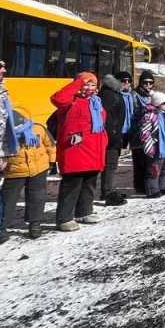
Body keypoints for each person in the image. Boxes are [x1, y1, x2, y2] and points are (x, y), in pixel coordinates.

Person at [51, 72, 108, 232]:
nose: (89, 88)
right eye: (86, 84)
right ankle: (64, 218)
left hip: (94, 150)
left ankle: (84, 211)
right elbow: (57, 98)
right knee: (72, 185)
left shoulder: (96, 102)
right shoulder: (70, 101)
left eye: (92, 84)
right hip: (75, 149)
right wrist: (78, 83)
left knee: (89, 183)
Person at [0, 112, 55, 240]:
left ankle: (35, 224)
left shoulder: (38, 128)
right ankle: (1, 227)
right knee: (7, 200)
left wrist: (52, 161)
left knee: (37, 197)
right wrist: (0, 165)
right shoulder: (4, 135)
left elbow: (50, 145)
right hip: (15, 171)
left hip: (39, 169)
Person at [137, 91, 165, 197]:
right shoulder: (150, 116)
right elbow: (145, 133)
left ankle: (162, 186)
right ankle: (152, 189)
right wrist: (149, 146)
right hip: (157, 145)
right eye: (164, 103)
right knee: (154, 168)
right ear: (157, 104)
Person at [97, 74, 127, 205]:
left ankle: (108, 190)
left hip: (112, 134)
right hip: (111, 136)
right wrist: (114, 134)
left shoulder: (110, 93)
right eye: (124, 81)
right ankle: (107, 192)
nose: (127, 83)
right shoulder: (110, 95)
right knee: (110, 165)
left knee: (110, 165)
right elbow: (108, 118)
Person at [130, 70, 157, 193]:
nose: (148, 85)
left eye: (150, 83)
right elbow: (132, 113)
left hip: (151, 131)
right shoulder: (134, 95)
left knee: (149, 160)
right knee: (139, 159)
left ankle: (148, 184)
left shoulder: (153, 95)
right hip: (137, 130)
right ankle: (139, 186)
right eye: (145, 83)